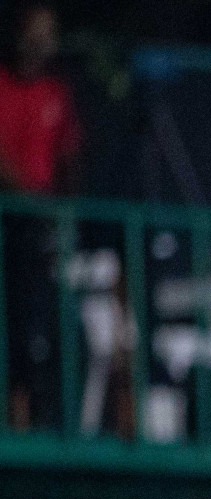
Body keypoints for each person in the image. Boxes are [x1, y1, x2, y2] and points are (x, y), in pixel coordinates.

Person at [0, 2, 80, 431]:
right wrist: (32, 202)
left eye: (49, 32)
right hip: (12, 223)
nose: (42, 41)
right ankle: (18, 417)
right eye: (36, 31)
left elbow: (69, 157)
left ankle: (48, 414)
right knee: (15, 317)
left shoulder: (57, 92)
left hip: (44, 229)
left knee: (47, 321)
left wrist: (64, 210)